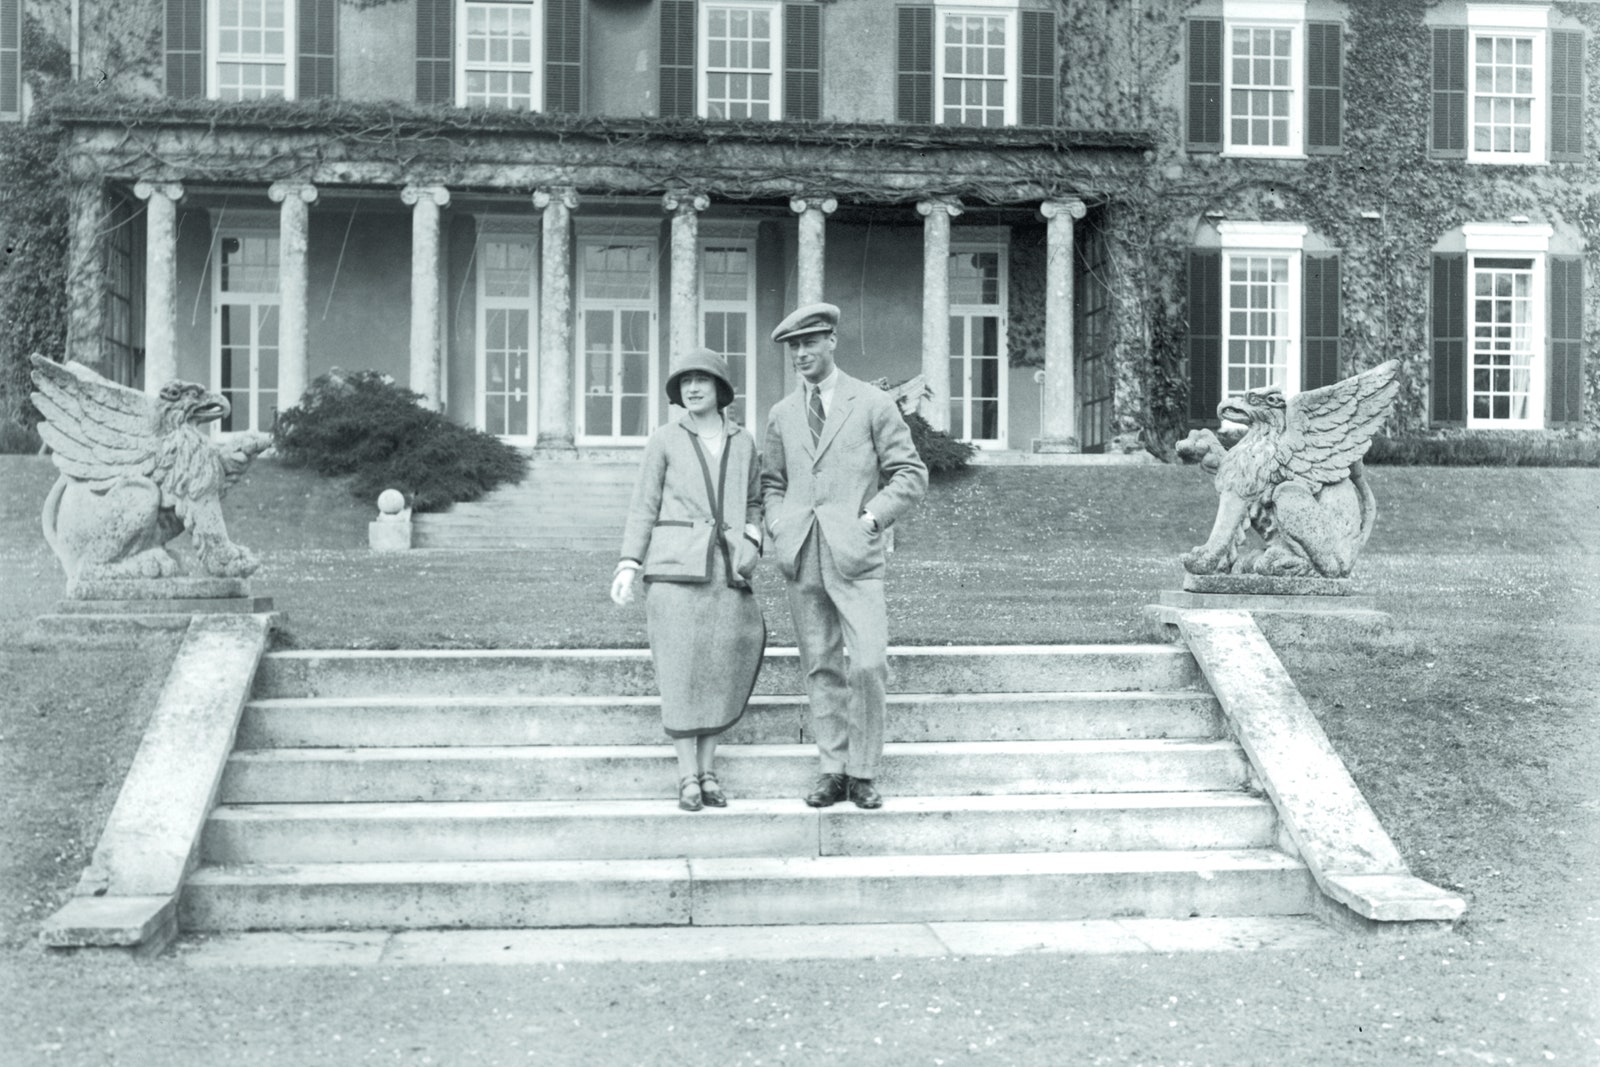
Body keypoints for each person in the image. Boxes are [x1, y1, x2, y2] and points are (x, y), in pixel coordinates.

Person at [759, 303, 927, 810]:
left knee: (869, 663)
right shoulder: (782, 414)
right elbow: (772, 482)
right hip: (802, 553)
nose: (801, 354)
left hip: (856, 554)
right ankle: (832, 770)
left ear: (832, 341)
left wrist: (871, 518)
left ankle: (865, 771)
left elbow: (910, 473)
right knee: (820, 666)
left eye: (810, 342)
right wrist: (778, 523)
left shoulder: (872, 403)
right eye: (794, 346)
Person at [611, 348, 766, 812]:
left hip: (727, 572)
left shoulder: (744, 441)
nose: (692, 388)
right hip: (674, 572)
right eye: (684, 381)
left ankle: (710, 771)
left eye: (702, 380)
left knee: (719, 672)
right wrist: (628, 563)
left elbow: (755, 500)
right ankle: (686, 777)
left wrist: (754, 537)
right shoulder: (664, 439)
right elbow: (644, 505)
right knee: (680, 674)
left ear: (721, 389)